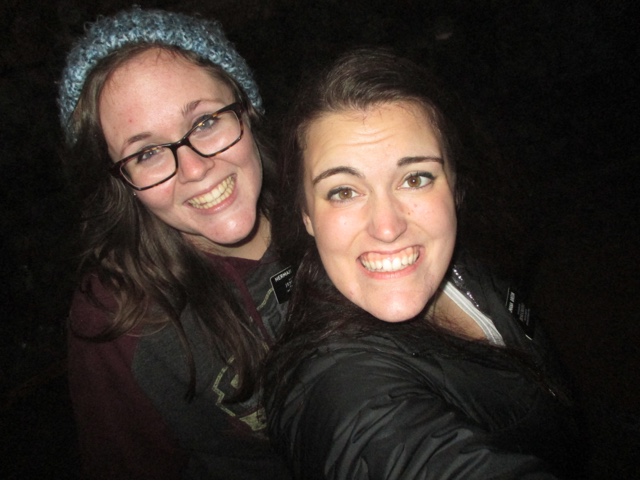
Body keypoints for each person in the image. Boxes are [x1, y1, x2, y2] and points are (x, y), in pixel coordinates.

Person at [264, 48, 584, 479]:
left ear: (455, 186)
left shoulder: (461, 260)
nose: (387, 227)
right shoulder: (339, 387)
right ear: (306, 214)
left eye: (415, 179)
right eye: (343, 191)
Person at [58, 7, 292, 478]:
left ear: (246, 109)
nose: (195, 168)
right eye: (147, 153)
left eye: (205, 122)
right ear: (121, 181)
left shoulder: (337, 205)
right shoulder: (117, 320)